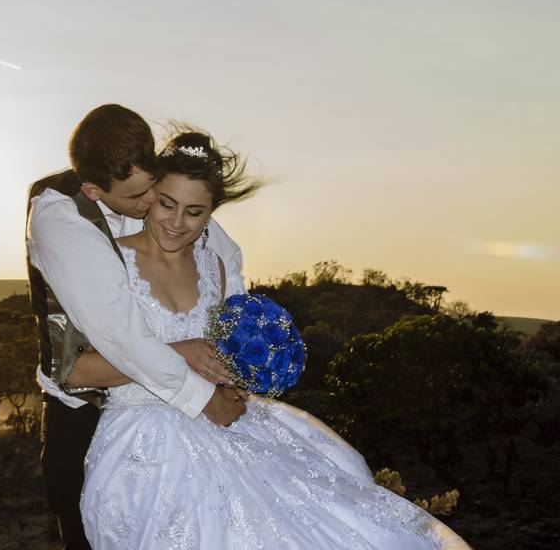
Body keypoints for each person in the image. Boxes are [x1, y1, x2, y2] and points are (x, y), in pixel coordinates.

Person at [75, 129, 472, 549]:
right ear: (150, 193)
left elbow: (228, 362)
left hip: (227, 427)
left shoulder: (215, 268)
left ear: (212, 213)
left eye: (193, 212)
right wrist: (181, 355)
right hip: (146, 445)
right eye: (167, 204)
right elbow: (79, 369)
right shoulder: (109, 259)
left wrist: (236, 383)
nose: (176, 223)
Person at [26, 105, 247, 550]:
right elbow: (118, 337)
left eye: (155, 191)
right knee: (89, 526)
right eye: (142, 199)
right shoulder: (62, 219)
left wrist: (239, 367)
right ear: (93, 190)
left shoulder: (172, 205)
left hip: (201, 420)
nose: (152, 206)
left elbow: (229, 278)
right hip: (87, 410)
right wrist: (199, 384)